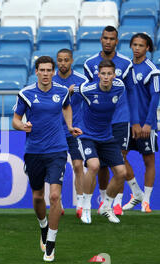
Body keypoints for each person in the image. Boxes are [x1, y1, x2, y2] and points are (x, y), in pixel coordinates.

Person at [12, 56, 82, 262]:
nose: (45, 73)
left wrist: (69, 126)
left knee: (54, 197)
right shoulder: (26, 94)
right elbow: (16, 119)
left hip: (57, 150)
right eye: (41, 70)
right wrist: (22, 126)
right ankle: (43, 226)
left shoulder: (61, 92)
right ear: (36, 71)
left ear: (53, 72)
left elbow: (67, 106)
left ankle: (50, 244)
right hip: (33, 151)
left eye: (48, 70)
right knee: (37, 196)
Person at [83, 26, 140, 216]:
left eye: (112, 38)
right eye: (105, 38)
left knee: (119, 160)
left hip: (120, 119)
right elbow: (86, 93)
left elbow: (132, 92)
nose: (108, 41)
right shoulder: (90, 63)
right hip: (97, 122)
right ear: (101, 39)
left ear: (117, 41)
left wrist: (136, 121)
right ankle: (103, 202)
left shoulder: (125, 63)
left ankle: (117, 203)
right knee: (99, 164)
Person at [77, 59, 127, 224]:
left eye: (109, 74)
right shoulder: (87, 89)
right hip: (87, 136)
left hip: (107, 136)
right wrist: (71, 125)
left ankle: (106, 206)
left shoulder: (120, 87)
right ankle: (85, 208)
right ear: (98, 74)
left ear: (114, 75)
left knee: (121, 173)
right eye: (103, 74)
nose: (106, 77)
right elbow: (69, 98)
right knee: (94, 165)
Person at [121, 33, 160, 213]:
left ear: (148, 48)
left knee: (148, 160)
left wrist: (148, 123)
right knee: (119, 156)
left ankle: (146, 201)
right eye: (134, 45)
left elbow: (155, 98)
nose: (137, 48)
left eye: (141, 45)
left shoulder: (152, 70)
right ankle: (136, 192)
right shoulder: (126, 68)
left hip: (146, 123)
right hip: (127, 122)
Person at [53, 48, 88, 218]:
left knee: (78, 165)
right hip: (55, 131)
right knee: (56, 168)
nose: (63, 63)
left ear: (72, 61)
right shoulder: (51, 81)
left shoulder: (82, 80)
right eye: (60, 60)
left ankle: (80, 203)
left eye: (66, 60)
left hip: (75, 130)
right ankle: (57, 202)